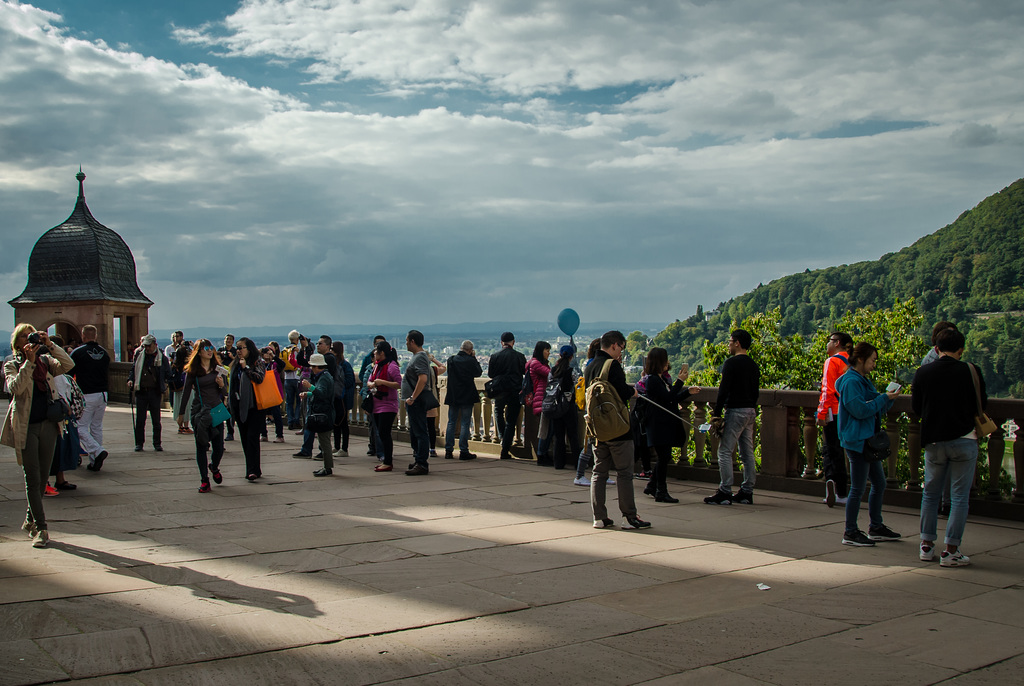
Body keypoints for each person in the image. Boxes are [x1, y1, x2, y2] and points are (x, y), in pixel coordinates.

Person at [912, 328, 984, 567]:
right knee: (959, 497)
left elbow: (916, 407)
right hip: (964, 438)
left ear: (936, 349)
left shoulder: (923, 373)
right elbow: (980, 403)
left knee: (930, 494)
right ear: (961, 350)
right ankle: (951, 550)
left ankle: (926, 545)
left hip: (933, 440)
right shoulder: (971, 371)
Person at [2, 325, 75, 548]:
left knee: (43, 478)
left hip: (48, 425)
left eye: (32, 335)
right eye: (25, 336)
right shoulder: (12, 364)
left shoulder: (45, 361)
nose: (30, 339)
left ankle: (28, 520)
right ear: (17, 342)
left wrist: (50, 345)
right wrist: (29, 361)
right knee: (32, 478)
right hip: (26, 426)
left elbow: (67, 365)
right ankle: (41, 529)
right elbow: (15, 387)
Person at [835, 341, 902, 547]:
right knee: (857, 487)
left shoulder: (860, 380)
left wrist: (886, 397)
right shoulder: (852, 382)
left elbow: (872, 402)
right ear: (861, 359)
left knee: (878, 483)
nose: (874, 365)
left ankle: (875, 526)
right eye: (872, 360)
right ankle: (850, 531)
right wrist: (883, 398)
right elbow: (860, 410)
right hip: (857, 440)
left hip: (865, 439)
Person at [586, 330, 650, 530]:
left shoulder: (589, 366)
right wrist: (633, 391)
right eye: (621, 347)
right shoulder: (611, 365)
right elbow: (622, 392)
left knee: (599, 472)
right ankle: (629, 516)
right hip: (617, 427)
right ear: (614, 345)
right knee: (624, 472)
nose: (621, 352)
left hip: (597, 428)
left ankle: (599, 516)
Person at [704, 329, 761, 505]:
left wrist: (717, 412)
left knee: (725, 451)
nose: (728, 345)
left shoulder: (731, 364)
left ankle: (725, 490)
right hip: (750, 410)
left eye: (730, 341)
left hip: (735, 410)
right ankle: (747, 490)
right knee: (747, 453)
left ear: (737, 343)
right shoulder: (753, 364)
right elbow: (755, 391)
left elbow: (724, 389)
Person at [639, 347, 700, 503]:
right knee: (664, 457)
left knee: (664, 457)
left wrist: (687, 392)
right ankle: (660, 490)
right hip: (658, 424)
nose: (668, 363)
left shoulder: (659, 379)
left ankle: (653, 486)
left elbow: (671, 398)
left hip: (662, 424)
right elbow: (667, 398)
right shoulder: (653, 379)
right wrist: (680, 381)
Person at [178, 339, 227, 493]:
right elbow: (186, 392)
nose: (209, 350)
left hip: (216, 410)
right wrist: (181, 414)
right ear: (199, 351)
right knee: (201, 446)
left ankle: (214, 466)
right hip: (200, 411)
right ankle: (204, 479)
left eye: (211, 347)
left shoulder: (217, 369)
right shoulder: (194, 371)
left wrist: (221, 385)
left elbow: (225, 392)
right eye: (206, 348)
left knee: (218, 446)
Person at [818, 332, 853, 508]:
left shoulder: (832, 361)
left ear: (837, 343)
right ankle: (845, 491)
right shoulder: (851, 362)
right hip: (849, 412)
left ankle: (833, 484)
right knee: (846, 452)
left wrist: (821, 414)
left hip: (834, 411)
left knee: (831, 451)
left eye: (829, 341)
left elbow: (827, 390)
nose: (827, 345)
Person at [71, 325, 110, 472]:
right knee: (96, 427)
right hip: (103, 393)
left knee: (80, 427)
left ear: (83, 335)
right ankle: (94, 461)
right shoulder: (104, 353)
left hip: (87, 393)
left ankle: (97, 450)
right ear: (96, 335)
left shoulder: (78, 353)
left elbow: (69, 372)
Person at [229, 337, 266, 481]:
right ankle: (250, 468)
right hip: (239, 405)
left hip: (255, 405)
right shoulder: (235, 364)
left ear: (249, 349)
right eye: (237, 348)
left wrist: (247, 369)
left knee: (252, 437)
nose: (238, 351)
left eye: (241, 348)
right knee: (245, 438)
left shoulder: (257, 362)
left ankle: (254, 469)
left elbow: (260, 378)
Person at [127, 334, 171, 452]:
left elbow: (168, 373)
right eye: (145, 346)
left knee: (156, 420)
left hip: (155, 391)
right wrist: (130, 380)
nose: (146, 348)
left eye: (148, 346)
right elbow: (133, 369)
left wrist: (166, 384)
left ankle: (157, 443)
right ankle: (139, 443)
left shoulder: (162, 358)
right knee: (140, 420)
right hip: (141, 391)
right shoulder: (139, 355)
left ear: (155, 345)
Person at [488, 332, 527, 460]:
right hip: (515, 390)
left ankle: (502, 436)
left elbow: (490, 374)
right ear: (513, 342)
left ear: (501, 343)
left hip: (499, 390)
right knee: (511, 420)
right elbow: (524, 372)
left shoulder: (495, 356)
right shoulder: (519, 356)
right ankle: (505, 448)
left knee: (498, 411)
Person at [574, 338, 608, 487]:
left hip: (592, 407)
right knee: (590, 444)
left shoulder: (589, 364)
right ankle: (580, 475)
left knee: (597, 444)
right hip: (595, 409)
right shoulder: (596, 365)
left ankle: (600, 473)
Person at [545, 345, 583, 470]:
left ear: (560, 355)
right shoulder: (572, 371)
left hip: (556, 406)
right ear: (571, 356)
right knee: (573, 435)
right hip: (569, 405)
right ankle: (578, 462)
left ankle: (559, 462)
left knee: (558, 436)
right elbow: (577, 386)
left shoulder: (553, 370)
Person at [403, 330, 435, 476]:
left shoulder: (420, 357)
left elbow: (423, 379)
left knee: (420, 432)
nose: (406, 343)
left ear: (413, 341)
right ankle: (418, 460)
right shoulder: (418, 356)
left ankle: (422, 462)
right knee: (416, 432)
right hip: (413, 401)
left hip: (416, 401)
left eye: (407, 340)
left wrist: (413, 397)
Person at [444, 340, 483, 460]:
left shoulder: (451, 360)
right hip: (466, 395)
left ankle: (448, 450)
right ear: (470, 350)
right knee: (465, 423)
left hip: (453, 395)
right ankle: (463, 450)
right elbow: (478, 372)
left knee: (451, 422)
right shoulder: (470, 361)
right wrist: (474, 358)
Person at [367, 341, 402, 472]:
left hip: (388, 404)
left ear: (382, 353)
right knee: (381, 433)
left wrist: (381, 382)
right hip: (377, 403)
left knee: (384, 433)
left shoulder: (391, 366)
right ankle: (386, 460)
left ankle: (388, 461)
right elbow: (369, 379)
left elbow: (399, 383)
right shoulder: (377, 366)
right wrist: (371, 383)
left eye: (376, 351)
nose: (374, 353)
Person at [302, 353, 336, 477]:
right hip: (326, 412)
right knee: (323, 441)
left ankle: (327, 467)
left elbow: (321, 394)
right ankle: (327, 466)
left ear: (317, 366)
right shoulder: (326, 376)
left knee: (324, 442)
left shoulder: (324, 378)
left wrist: (309, 387)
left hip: (324, 413)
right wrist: (308, 394)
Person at [359, 335, 387, 457]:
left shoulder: (387, 365)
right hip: (373, 399)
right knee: (373, 425)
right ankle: (374, 447)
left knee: (380, 427)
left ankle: (380, 449)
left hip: (382, 400)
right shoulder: (369, 365)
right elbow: (364, 382)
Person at [526, 341, 552, 464]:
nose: (549, 353)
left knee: (547, 428)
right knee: (545, 429)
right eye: (547, 350)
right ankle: (542, 454)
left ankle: (543, 453)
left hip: (541, 398)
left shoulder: (536, 363)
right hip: (541, 399)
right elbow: (550, 374)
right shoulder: (536, 364)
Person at [331, 341, 355, 458]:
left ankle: (344, 448)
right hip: (338, 398)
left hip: (343, 398)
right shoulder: (339, 364)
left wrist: (339, 386)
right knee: (336, 423)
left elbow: (350, 381)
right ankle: (337, 446)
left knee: (343, 423)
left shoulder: (344, 365)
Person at [259, 346, 285, 443]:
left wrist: (274, 356)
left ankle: (279, 435)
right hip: (263, 391)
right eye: (265, 353)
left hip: (274, 391)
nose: (267, 355)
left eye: (268, 353)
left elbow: (282, 365)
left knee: (276, 414)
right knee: (261, 415)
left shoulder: (274, 365)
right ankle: (263, 434)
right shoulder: (260, 365)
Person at [282, 330, 303, 430]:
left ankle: (290, 421)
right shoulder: (297, 349)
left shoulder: (285, 349)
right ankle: (297, 420)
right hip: (297, 377)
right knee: (299, 401)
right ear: (297, 340)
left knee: (289, 401)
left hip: (287, 378)